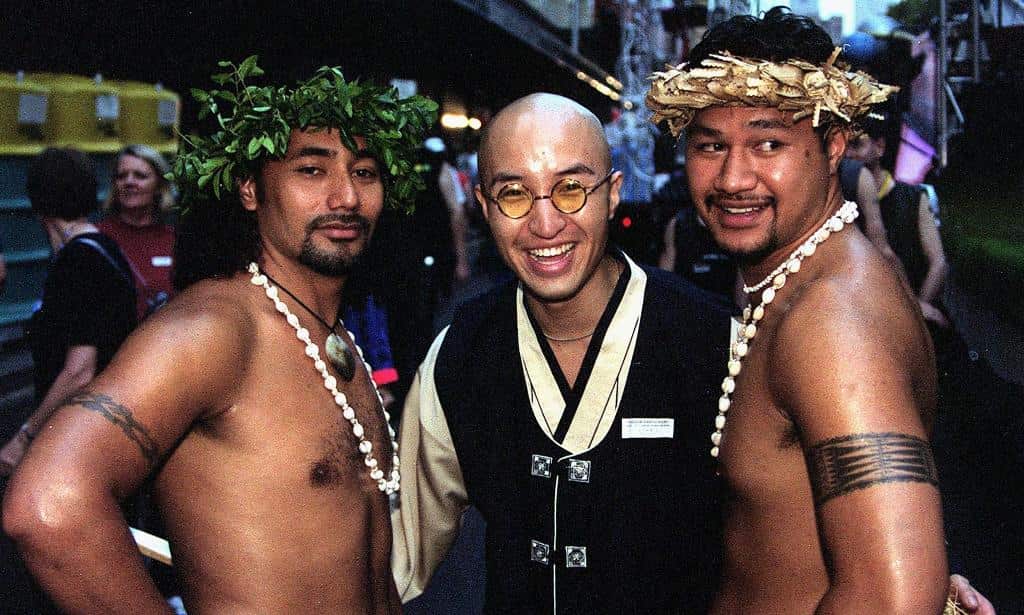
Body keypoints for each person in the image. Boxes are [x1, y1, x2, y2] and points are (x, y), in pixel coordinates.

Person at [3, 60, 436, 614]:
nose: (346, 197)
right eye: (311, 170)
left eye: (366, 172)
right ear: (251, 189)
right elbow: (47, 505)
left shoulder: (331, 333)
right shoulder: (215, 330)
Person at [646, 7, 976, 613]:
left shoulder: (831, 323)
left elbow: (893, 600)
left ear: (833, 147)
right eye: (710, 145)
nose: (733, 177)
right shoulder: (800, 280)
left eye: (768, 143)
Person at [392, 93, 730, 613]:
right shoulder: (459, 356)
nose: (545, 224)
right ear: (483, 207)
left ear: (613, 194)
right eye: (513, 194)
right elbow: (397, 558)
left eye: (571, 189)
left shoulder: (715, 344)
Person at [0, 148, 136, 477]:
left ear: (38, 202)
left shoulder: (77, 261)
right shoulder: (104, 248)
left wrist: (24, 438)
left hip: (79, 437)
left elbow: (79, 372)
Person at [844, 115, 950, 329]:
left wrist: (919, 307)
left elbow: (938, 263)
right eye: (844, 147)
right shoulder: (840, 201)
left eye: (856, 145)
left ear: (880, 147)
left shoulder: (911, 198)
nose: (849, 155)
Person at [98, 144, 176, 320]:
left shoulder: (175, 240)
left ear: (159, 185)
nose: (129, 182)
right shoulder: (99, 236)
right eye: (121, 176)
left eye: (140, 176)